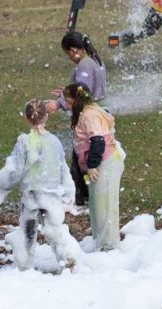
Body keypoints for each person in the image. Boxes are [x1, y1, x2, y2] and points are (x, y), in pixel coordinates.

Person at [0, 99, 80, 271]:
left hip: (31, 194)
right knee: (55, 229)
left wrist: (3, 187)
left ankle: (25, 264)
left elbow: (15, 170)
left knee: (28, 231)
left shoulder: (24, 142)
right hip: (52, 193)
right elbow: (62, 168)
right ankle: (66, 255)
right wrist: (69, 192)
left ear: (26, 118)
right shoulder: (54, 141)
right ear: (46, 116)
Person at [46, 31, 108, 208]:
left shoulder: (83, 66)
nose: (69, 57)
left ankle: (82, 197)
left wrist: (58, 103)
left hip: (89, 116)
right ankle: (89, 194)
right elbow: (82, 89)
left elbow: (83, 92)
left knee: (81, 157)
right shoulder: (95, 58)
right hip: (98, 112)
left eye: (68, 54)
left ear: (73, 51)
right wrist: (67, 92)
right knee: (90, 154)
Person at [67, 82, 125, 251]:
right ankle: (99, 241)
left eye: (67, 100)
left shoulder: (90, 115)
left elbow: (98, 141)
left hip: (105, 164)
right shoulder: (87, 110)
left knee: (105, 206)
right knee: (97, 206)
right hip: (100, 164)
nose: (67, 104)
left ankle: (108, 246)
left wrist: (92, 165)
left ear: (76, 100)